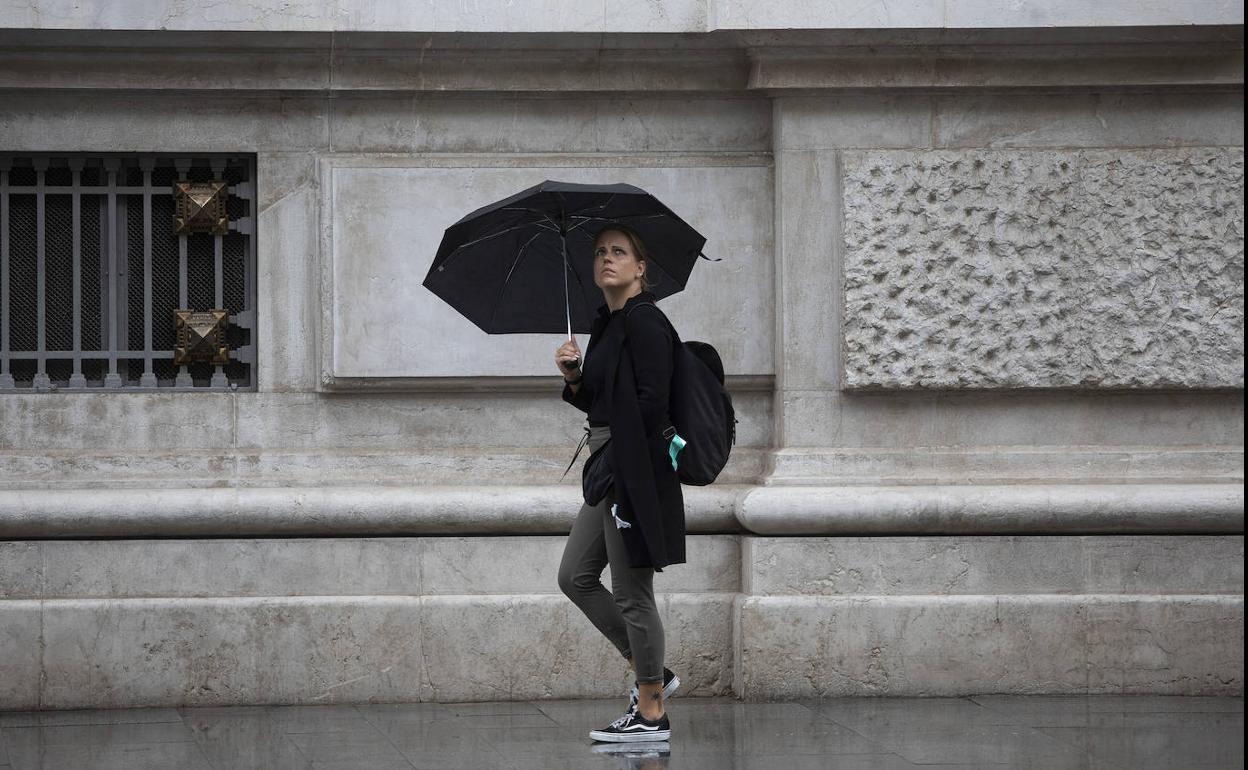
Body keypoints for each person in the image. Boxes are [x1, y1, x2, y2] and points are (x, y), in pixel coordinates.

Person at [554, 223, 686, 743]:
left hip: (632, 468)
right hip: (607, 463)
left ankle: (652, 710)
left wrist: (631, 475)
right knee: (575, 576)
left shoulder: (646, 322)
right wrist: (574, 378)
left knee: (633, 592)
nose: (607, 259)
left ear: (640, 267)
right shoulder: (606, 325)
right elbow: (604, 403)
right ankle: (651, 668)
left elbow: (655, 404)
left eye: (619, 252)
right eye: (600, 253)